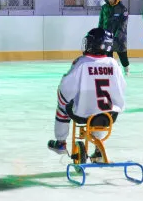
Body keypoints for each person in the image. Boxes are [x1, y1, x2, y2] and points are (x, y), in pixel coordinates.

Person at [48, 28, 127, 156]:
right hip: (110, 116)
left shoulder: (82, 63)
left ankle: (61, 143)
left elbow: (66, 89)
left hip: (83, 115)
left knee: (62, 108)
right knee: (101, 110)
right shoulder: (113, 64)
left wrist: (65, 102)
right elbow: (122, 87)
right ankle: (98, 150)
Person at [98, 0, 130, 73]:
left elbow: (123, 24)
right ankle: (111, 70)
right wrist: (99, 33)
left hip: (119, 37)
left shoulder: (122, 9)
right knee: (108, 56)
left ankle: (126, 68)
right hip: (107, 35)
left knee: (122, 53)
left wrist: (117, 36)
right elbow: (101, 22)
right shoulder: (104, 7)